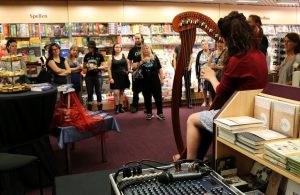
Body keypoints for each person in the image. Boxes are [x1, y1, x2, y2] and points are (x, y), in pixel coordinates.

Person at [173, 11, 268, 161]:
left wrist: (211, 76)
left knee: (192, 119)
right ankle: (196, 157)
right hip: (255, 110)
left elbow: (221, 91)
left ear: (229, 38)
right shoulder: (260, 55)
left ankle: (189, 164)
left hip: (237, 114)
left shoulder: (237, 60)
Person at [132, 44, 165, 120]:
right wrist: (141, 62)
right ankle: (149, 113)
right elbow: (133, 67)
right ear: (142, 50)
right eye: (144, 48)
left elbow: (160, 69)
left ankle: (160, 113)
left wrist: (162, 79)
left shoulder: (155, 57)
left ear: (150, 49)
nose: (145, 50)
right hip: (143, 81)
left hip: (155, 80)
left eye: (147, 48)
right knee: (147, 98)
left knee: (158, 97)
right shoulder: (138, 57)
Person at [107, 43, 130, 114]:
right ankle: (116, 107)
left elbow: (128, 64)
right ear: (114, 48)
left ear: (121, 48)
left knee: (121, 92)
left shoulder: (124, 56)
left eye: (119, 47)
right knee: (116, 93)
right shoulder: (111, 57)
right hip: (114, 77)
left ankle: (121, 107)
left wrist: (128, 70)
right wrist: (110, 78)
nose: (117, 48)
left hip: (123, 76)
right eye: (116, 47)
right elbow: (109, 68)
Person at [83, 40, 105, 111]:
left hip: (97, 75)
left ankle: (100, 109)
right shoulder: (86, 55)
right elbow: (84, 66)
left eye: (90, 47)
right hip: (88, 76)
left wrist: (96, 67)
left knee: (98, 91)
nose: (89, 48)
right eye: (88, 47)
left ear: (93, 47)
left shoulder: (100, 55)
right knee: (89, 92)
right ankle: (90, 109)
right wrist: (86, 66)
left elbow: (104, 66)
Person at [128, 33, 144, 113]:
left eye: (138, 38)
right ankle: (134, 106)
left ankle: (147, 107)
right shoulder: (132, 50)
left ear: (142, 38)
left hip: (146, 71)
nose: (137, 40)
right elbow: (129, 61)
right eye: (136, 38)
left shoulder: (146, 48)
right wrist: (129, 69)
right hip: (136, 72)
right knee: (135, 90)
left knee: (146, 89)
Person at [195, 39, 211, 107]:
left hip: (210, 72)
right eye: (203, 44)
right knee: (203, 87)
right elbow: (196, 64)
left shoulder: (211, 53)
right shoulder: (199, 53)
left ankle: (210, 100)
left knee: (210, 87)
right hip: (202, 72)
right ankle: (205, 101)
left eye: (205, 44)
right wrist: (197, 73)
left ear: (208, 45)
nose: (204, 45)